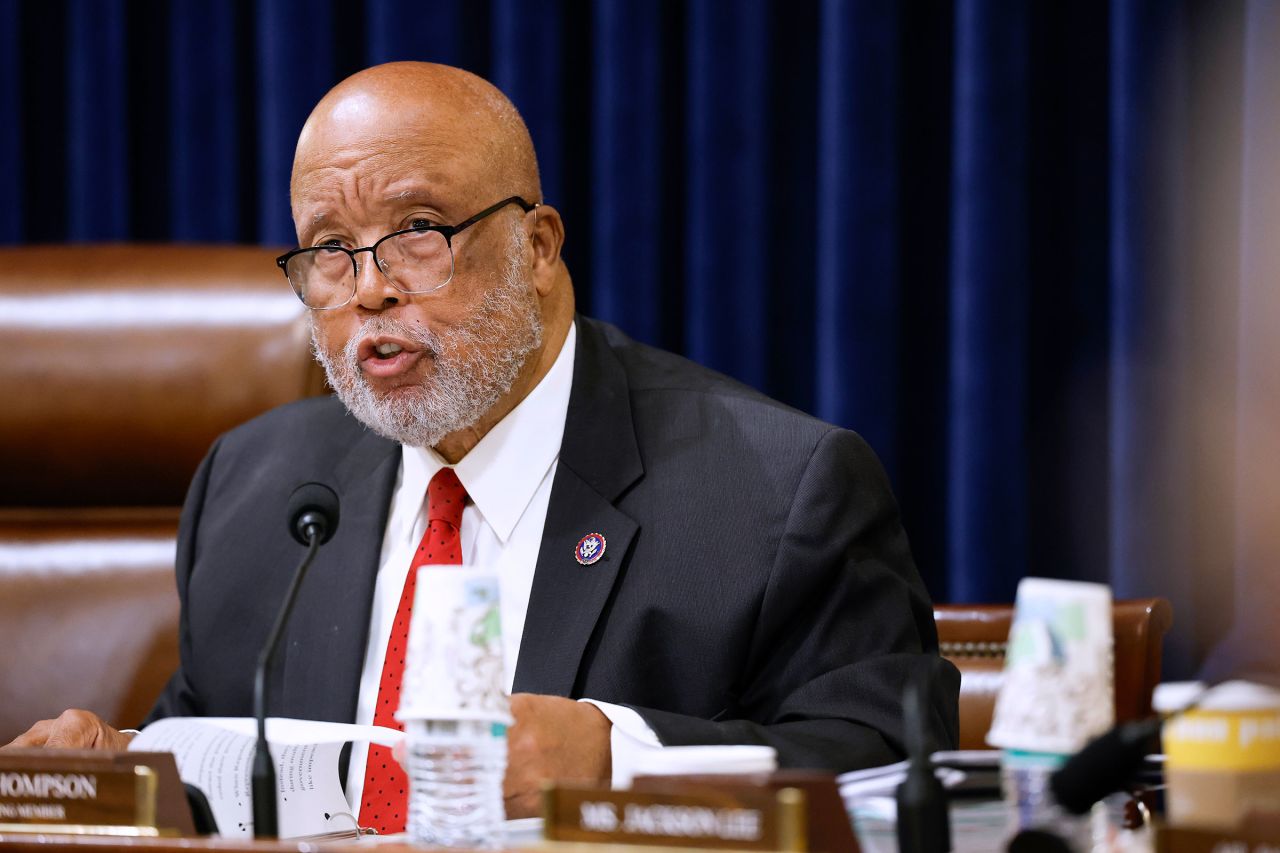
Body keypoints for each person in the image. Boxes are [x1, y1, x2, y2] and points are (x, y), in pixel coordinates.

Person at [4, 62, 958, 824]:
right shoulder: (256, 488)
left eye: (417, 231)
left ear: (539, 248)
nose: (367, 289)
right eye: (328, 249)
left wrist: (613, 760)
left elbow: (893, 762)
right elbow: (213, 741)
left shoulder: (774, 489)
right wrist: (114, 770)